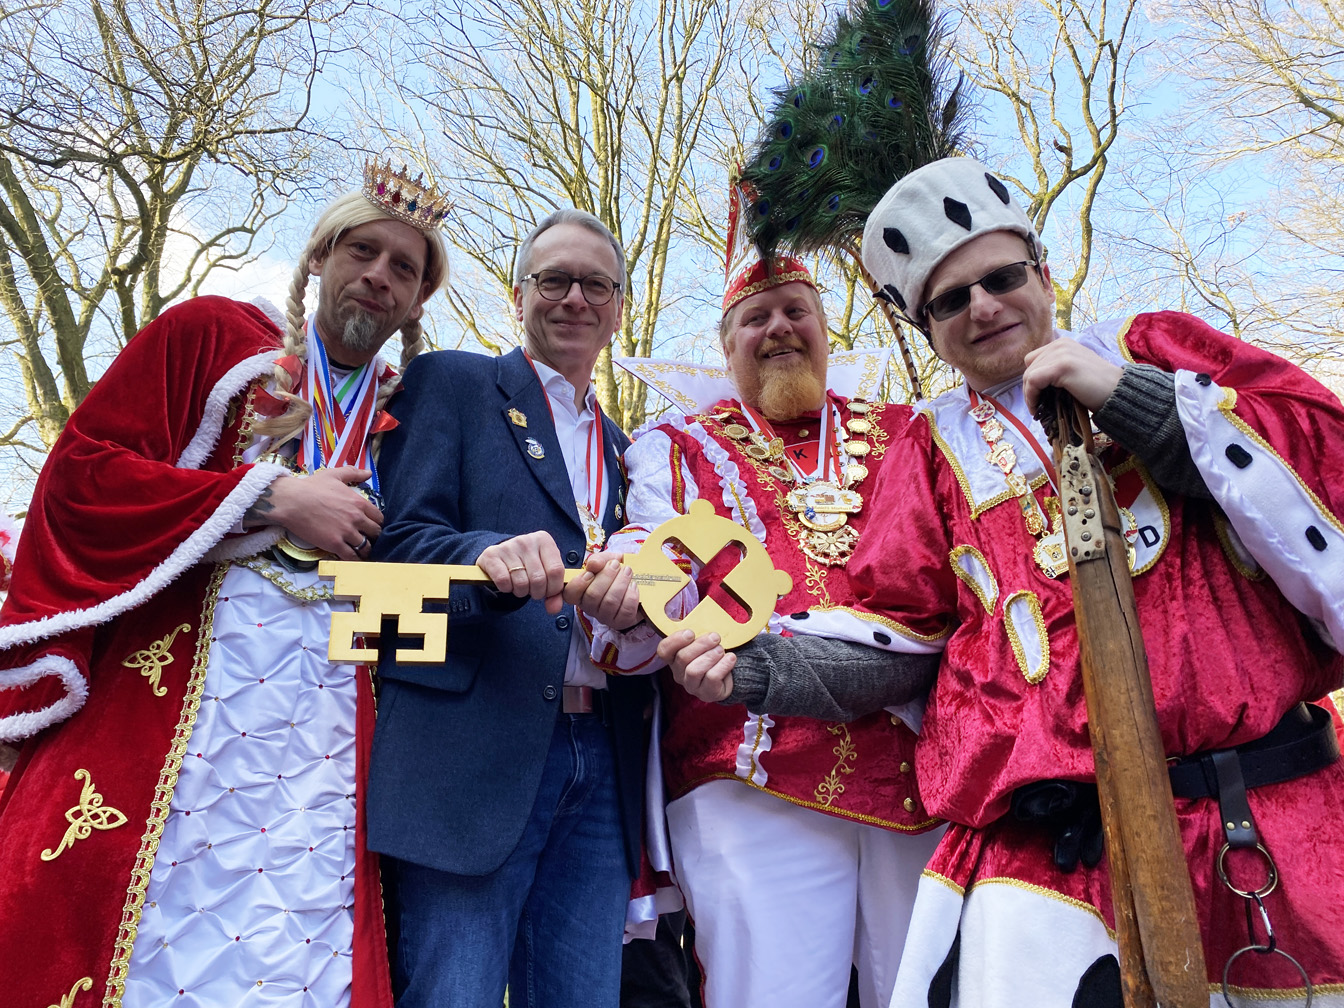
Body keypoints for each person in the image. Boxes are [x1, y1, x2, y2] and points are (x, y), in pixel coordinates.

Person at [665, 156, 1344, 1006]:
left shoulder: (1152, 346)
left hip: (1266, 815)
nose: (983, 307)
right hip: (1053, 864)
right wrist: (755, 668)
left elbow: (1320, 459)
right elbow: (899, 638)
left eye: (1001, 278)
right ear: (925, 327)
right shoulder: (927, 452)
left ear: (1043, 272)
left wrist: (1139, 404)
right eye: (950, 300)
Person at [0, 160, 448, 1006]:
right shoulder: (213, 337)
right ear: (319, 256)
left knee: (293, 941)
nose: (378, 276)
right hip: (178, 696)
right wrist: (271, 496)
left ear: (419, 298)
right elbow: (81, 476)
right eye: (361, 251)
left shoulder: (417, 414)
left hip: (329, 716)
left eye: (403, 267)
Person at [584, 180, 944, 1008]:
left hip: (915, 763)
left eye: (795, 311)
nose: (778, 328)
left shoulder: (907, 433)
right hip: (750, 765)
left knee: (923, 993)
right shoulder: (677, 447)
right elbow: (654, 554)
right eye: (756, 318)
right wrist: (626, 590)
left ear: (825, 328)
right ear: (727, 346)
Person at [366, 208, 654, 1008]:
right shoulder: (453, 383)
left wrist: (638, 611)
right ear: (517, 294)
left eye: (596, 284)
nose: (575, 299)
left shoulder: (634, 452)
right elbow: (392, 548)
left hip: (603, 758)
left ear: (618, 307)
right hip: (469, 752)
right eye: (554, 279)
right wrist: (483, 556)